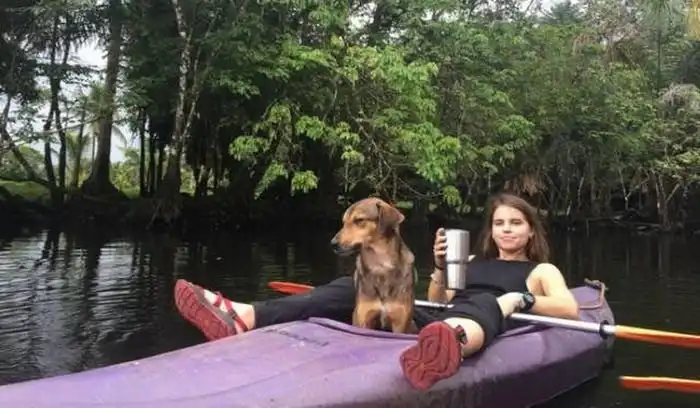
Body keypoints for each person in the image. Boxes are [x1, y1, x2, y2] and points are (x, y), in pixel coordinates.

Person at [173, 192, 580, 391]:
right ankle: (245, 315)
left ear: (531, 231)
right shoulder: (473, 262)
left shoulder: (540, 270)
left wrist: (517, 300)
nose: (506, 230)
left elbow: (568, 308)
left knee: (487, 302)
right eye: (499, 223)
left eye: (515, 223)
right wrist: (441, 267)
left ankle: (449, 345)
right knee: (349, 286)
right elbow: (440, 300)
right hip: (442, 321)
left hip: (488, 322)